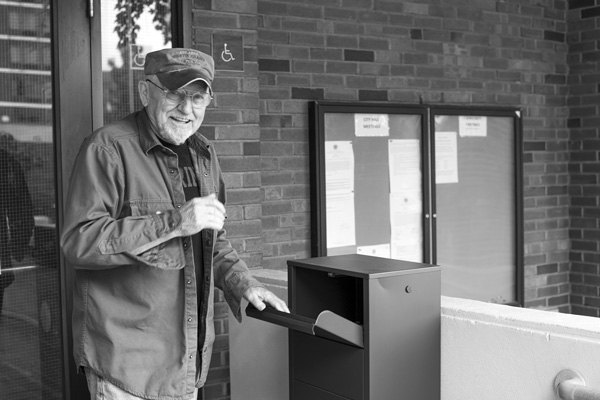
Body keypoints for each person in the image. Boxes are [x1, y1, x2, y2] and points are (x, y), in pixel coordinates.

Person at [60, 48, 289, 400]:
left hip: (186, 366)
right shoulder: (108, 149)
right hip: (128, 370)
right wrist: (173, 222)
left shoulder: (204, 154)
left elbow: (211, 239)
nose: (186, 109)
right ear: (144, 92)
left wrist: (243, 284)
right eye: (174, 94)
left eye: (197, 97)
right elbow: (79, 242)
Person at [0, 146, 34, 316]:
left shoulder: (6, 163)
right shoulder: (7, 162)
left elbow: (21, 209)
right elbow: (22, 209)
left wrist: (17, 245)